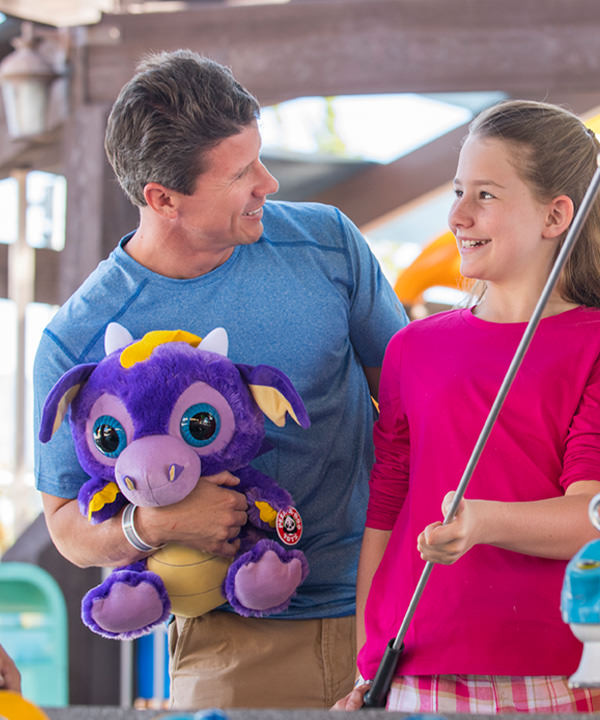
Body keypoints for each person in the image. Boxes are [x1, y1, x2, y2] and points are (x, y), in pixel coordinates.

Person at [33, 50, 407, 709]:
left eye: (259, 157)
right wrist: (150, 528)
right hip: (226, 635)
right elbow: (66, 525)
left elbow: (409, 407)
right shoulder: (81, 335)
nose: (269, 183)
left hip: (385, 613)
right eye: (240, 173)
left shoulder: (327, 244)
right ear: (162, 198)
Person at [333, 100, 600, 714]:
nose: (457, 214)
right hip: (410, 669)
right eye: (458, 191)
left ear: (555, 214)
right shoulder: (411, 348)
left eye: (484, 194)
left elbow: (596, 517)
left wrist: (484, 523)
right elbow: (387, 507)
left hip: (556, 670)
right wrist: (368, 660)